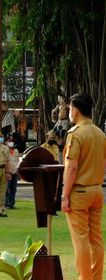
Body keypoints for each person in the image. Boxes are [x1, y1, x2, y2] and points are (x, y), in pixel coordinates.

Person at [61, 93, 105, 280]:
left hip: (79, 192)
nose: (68, 112)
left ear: (75, 111)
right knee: (96, 239)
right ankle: (95, 277)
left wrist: (64, 195)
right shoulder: (100, 133)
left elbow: (71, 167)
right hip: (97, 189)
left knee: (80, 241)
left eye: (69, 108)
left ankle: (85, 278)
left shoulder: (76, 134)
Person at [5, 137, 19, 209]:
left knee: (13, 189)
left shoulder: (16, 151)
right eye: (10, 141)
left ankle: (11, 203)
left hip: (15, 172)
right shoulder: (5, 150)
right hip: (8, 172)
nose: (11, 143)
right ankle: (6, 204)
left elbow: (17, 161)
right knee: (7, 189)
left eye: (12, 141)